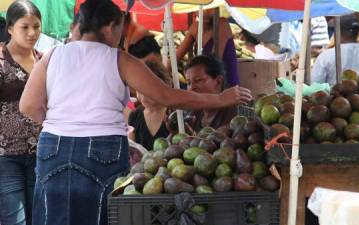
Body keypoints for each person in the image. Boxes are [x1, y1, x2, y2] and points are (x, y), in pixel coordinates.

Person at [18, 1, 252, 225]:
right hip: (102, 146)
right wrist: (220, 98)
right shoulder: (119, 60)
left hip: (53, 145)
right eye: (121, 27)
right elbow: (167, 96)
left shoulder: (52, 56)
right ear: (110, 27)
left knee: (54, 215)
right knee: (102, 215)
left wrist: (59, 126)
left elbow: (27, 105)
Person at [0, 1, 42, 225]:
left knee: (39, 219)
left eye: (36, 26)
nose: (32, 33)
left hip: (41, 155)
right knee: (14, 220)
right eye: (24, 27)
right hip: (6, 157)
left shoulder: (45, 61)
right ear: (10, 28)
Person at [311, 15, 359, 86]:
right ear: (358, 32)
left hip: (336, 98)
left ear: (337, 32)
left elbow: (315, 86)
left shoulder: (325, 57)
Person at [176, 8, 239, 88]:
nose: (205, 11)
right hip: (203, 85)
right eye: (202, 8)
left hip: (226, 87)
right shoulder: (195, 28)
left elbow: (213, 63)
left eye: (209, 7)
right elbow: (174, 59)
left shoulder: (222, 24)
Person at [185, 55, 237, 132]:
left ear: (219, 81)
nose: (191, 88)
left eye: (198, 80)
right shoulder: (193, 113)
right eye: (189, 83)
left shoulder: (234, 114)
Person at [128, 60, 171, 150]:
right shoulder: (135, 116)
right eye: (139, 90)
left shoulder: (174, 114)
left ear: (164, 85)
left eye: (147, 90)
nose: (143, 97)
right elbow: (133, 151)